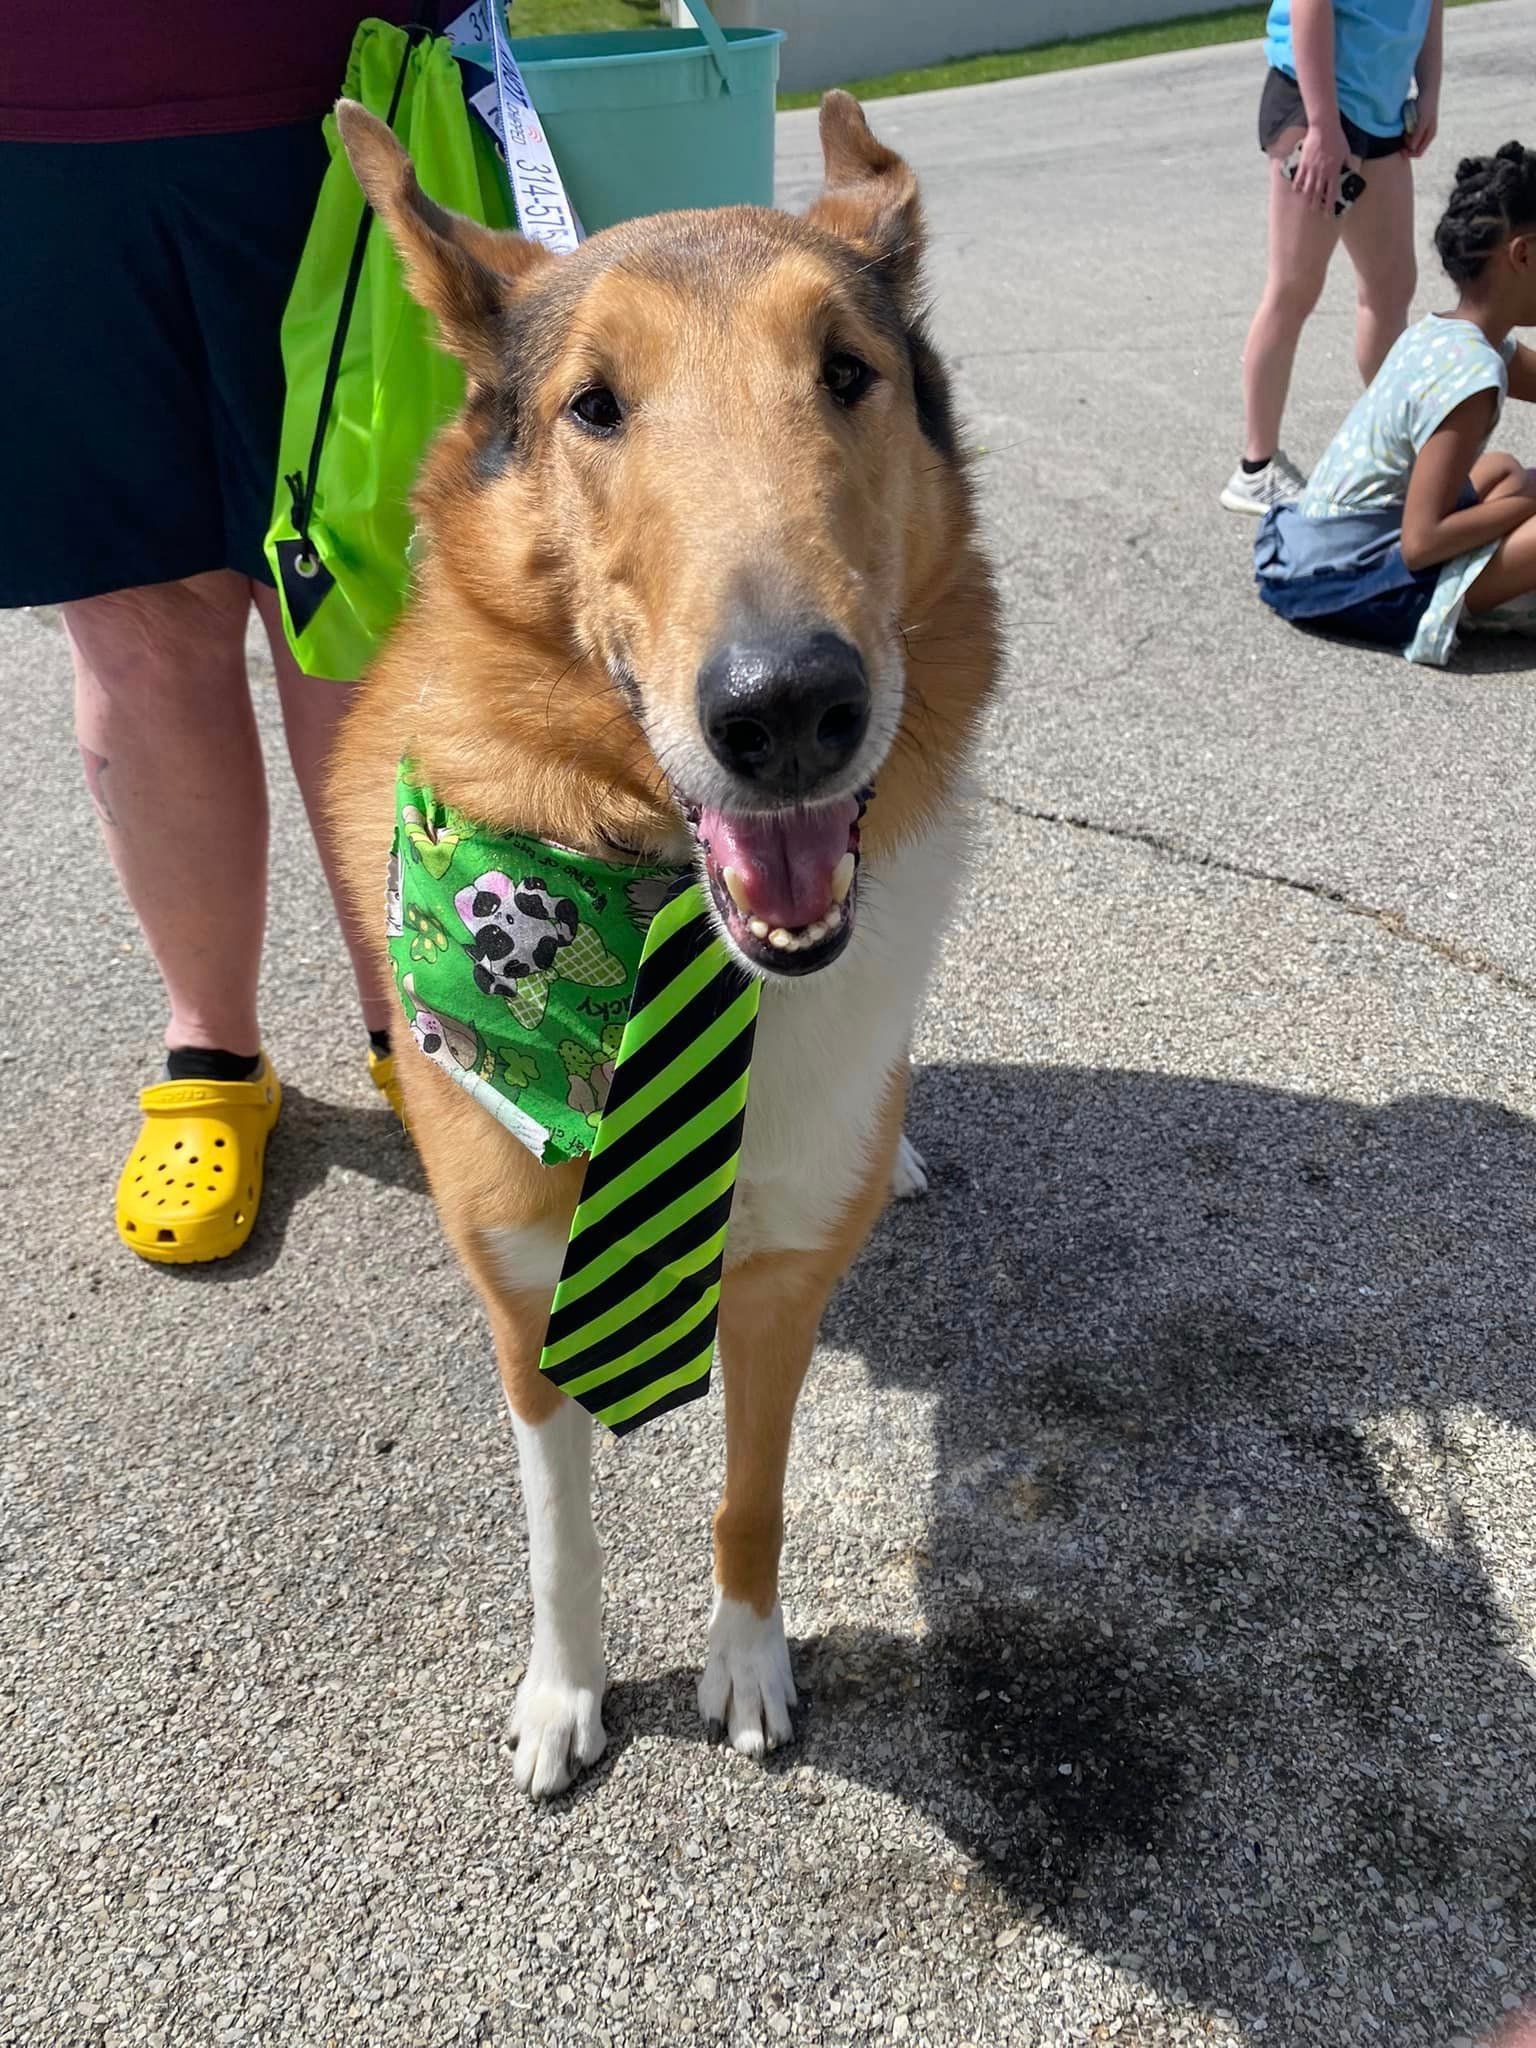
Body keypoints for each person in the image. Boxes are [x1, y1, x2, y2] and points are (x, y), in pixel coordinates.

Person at [0, 4, 409, 1265]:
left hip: (341, 99)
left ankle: (431, 1027)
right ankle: (213, 1050)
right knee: (136, 619)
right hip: (36, 138)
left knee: (355, 603)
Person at [1252, 143, 1536, 665]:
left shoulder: (1449, 333)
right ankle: (1466, 604)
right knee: (1523, 492)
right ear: (1523, 255)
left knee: (1503, 470)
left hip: (1317, 549)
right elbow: (1421, 543)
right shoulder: (1472, 375)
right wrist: (1521, 509)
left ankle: (1490, 569)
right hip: (1354, 577)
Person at [1221, 0, 1443, 516]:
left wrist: (1430, 89)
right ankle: (1255, 469)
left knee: (1390, 288)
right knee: (1294, 287)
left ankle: (1395, 453)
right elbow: (1309, 6)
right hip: (1315, 108)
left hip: (1380, 111)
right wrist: (1322, 126)